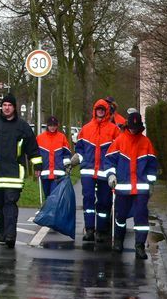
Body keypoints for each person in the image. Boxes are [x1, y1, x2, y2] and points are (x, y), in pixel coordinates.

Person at [0, 93, 42, 248]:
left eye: (9, 105)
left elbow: (32, 147)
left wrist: (37, 165)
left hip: (14, 173)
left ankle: (11, 235)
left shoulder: (22, 127)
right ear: (1, 107)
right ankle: (3, 231)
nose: (6, 108)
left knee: (10, 203)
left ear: (14, 107)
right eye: (4, 105)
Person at [104, 111, 158, 259]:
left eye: (136, 127)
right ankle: (119, 241)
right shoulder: (120, 141)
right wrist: (111, 175)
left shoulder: (146, 142)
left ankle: (140, 246)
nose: (134, 130)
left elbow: (152, 165)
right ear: (128, 126)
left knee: (141, 218)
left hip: (141, 189)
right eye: (132, 127)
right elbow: (109, 161)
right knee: (120, 216)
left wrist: (150, 182)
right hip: (123, 188)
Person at [71, 98, 120, 242]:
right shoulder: (86, 129)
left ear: (106, 111)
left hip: (105, 172)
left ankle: (102, 230)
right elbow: (80, 149)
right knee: (88, 200)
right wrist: (76, 159)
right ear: (94, 110)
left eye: (102, 109)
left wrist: (115, 171)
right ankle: (89, 229)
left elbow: (118, 151)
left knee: (104, 202)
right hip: (88, 171)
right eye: (98, 109)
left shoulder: (114, 130)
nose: (100, 112)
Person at [36, 115, 72, 198]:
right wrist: (37, 167)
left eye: (54, 125)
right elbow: (36, 154)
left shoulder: (62, 137)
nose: (52, 127)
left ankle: (53, 207)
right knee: (47, 196)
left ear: (57, 126)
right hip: (45, 173)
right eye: (50, 125)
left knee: (54, 196)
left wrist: (67, 166)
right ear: (47, 125)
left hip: (58, 173)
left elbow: (67, 153)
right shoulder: (40, 138)